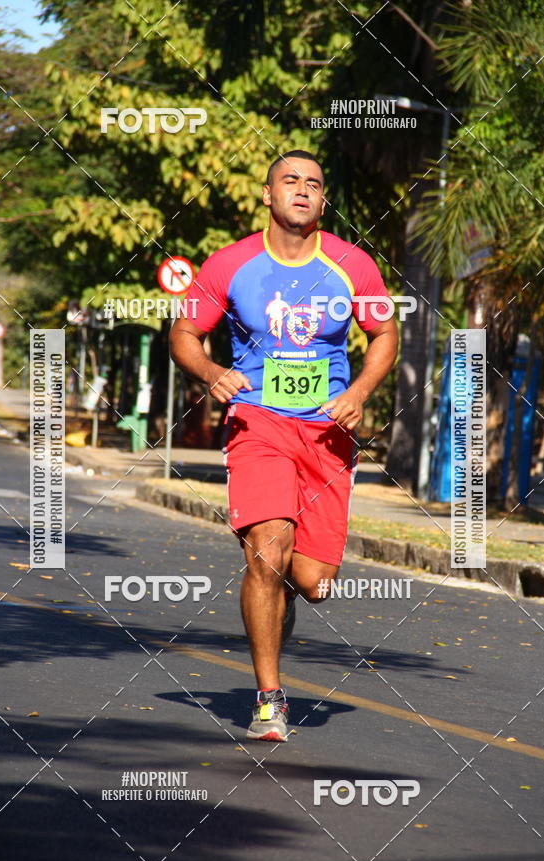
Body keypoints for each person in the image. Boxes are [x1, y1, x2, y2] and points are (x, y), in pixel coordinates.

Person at [170, 150, 398, 741]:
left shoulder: (354, 265)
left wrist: (363, 390)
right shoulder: (230, 264)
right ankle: (269, 698)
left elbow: (383, 332)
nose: (302, 190)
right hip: (258, 423)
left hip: (327, 430)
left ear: (323, 200)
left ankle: (283, 599)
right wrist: (212, 372)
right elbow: (185, 333)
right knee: (267, 553)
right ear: (267, 194)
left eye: (314, 184)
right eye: (290, 181)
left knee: (313, 582)